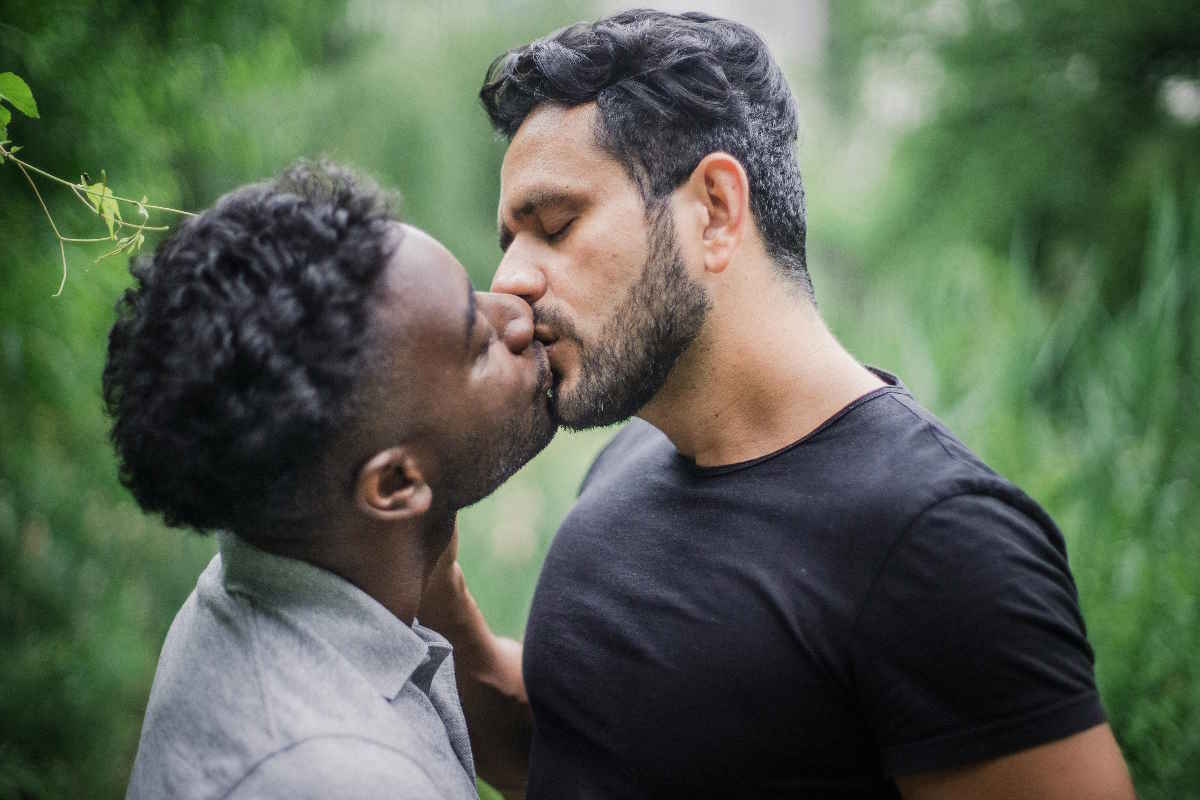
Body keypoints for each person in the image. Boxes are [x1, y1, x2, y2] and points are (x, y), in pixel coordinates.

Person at [419, 10, 1138, 799]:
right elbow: (563, 753)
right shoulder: (635, 455)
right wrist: (427, 574)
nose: (511, 281)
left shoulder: (938, 541)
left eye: (555, 225)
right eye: (510, 242)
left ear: (716, 210)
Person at [107, 161, 556, 799]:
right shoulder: (343, 776)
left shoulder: (265, 575)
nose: (516, 316)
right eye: (478, 343)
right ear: (395, 485)